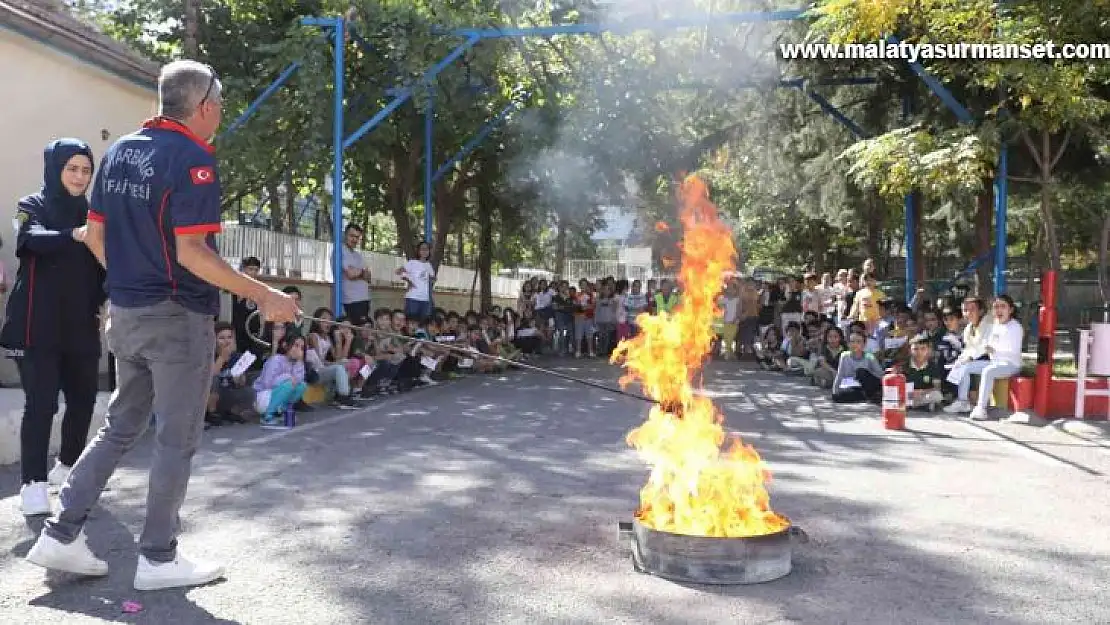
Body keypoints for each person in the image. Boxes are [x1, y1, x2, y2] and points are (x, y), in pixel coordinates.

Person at [25, 60, 300, 590]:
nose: (219, 112)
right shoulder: (194, 158)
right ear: (204, 106)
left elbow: (97, 238)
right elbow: (192, 252)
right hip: (177, 320)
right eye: (218, 103)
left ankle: (59, 536)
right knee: (176, 439)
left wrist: (132, 286)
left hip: (125, 314)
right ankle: (157, 557)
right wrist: (264, 295)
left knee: (119, 426)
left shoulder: (119, 152)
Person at [0, 139, 106, 517]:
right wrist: (75, 235)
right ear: (55, 168)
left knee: (83, 400)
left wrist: (104, 303)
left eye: (85, 170)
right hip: (38, 324)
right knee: (40, 405)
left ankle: (67, 468)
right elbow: (30, 241)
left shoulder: (95, 214)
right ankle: (33, 484)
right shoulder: (33, 205)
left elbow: (103, 266)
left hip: (81, 323)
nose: (79, 177)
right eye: (72, 168)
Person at [944, 295, 1024, 420]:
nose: (999, 310)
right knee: (965, 367)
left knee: (988, 371)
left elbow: (1012, 350)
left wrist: (994, 349)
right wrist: (968, 358)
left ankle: (981, 408)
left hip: (1010, 364)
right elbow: (983, 347)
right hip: (994, 362)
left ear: (1011, 310)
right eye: (996, 307)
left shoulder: (1015, 327)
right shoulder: (995, 325)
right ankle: (963, 401)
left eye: (1003, 306)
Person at [396, 240, 435, 323]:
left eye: (426, 249)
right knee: (410, 321)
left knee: (422, 322)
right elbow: (398, 271)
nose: (424, 251)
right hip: (413, 297)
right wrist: (408, 281)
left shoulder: (429, 265)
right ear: (418, 251)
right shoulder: (412, 263)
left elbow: (432, 278)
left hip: (425, 298)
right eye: (422, 249)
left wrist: (432, 279)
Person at [341, 224, 372, 325]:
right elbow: (350, 274)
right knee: (358, 331)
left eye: (357, 237)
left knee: (365, 330)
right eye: (352, 236)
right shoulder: (340, 251)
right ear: (345, 235)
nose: (354, 239)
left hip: (363, 299)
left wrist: (359, 273)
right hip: (352, 301)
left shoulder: (357, 255)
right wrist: (361, 272)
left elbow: (368, 276)